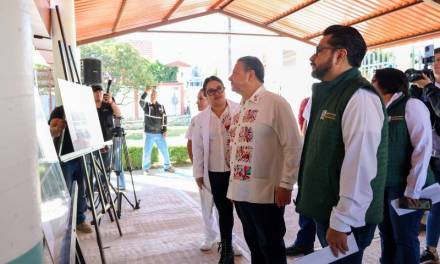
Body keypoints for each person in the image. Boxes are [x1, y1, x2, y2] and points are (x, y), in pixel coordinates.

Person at [295, 25, 388, 264]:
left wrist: (342, 221)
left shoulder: (360, 97)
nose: (312, 57)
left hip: (346, 219)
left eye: (319, 50)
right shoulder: (330, 93)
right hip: (328, 211)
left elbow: (360, 166)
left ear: (340, 54)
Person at [227, 56, 303, 264]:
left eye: (235, 73)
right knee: (253, 243)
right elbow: (236, 149)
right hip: (241, 193)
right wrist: (234, 186)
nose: (230, 78)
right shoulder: (240, 108)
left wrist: (286, 184)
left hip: (266, 193)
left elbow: (293, 145)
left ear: (250, 74)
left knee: (270, 246)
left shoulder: (275, 103)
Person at [372, 68, 434, 263]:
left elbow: (422, 149)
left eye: (373, 80)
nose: (370, 84)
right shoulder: (379, 108)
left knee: (404, 236)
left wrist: (413, 190)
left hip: (408, 187)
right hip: (384, 185)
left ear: (383, 83)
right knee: (386, 234)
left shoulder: (411, 105)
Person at [192, 76, 241, 263]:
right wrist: (198, 173)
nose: (216, 93)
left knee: (244, 210)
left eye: (219, 89)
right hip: (216, 173)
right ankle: (226, 250)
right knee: (224, 211)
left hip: (239, 171)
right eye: (211, 91)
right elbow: (197, 148)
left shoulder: (239, 109)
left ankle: (251, 247)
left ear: (224, 89)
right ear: (206, 95)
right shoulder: (201, 119)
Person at [412, 47, 440, 263]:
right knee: (430, 202)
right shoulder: (426, 88)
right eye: (435, 60)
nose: (437, 64)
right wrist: (414, 89)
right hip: (430, 157)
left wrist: (429, 87)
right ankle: (429, 249)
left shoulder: (431, 88)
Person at [49, 106, 93, 233]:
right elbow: (52, 132)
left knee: (81, 191)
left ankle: (80, 220)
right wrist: (58, 128)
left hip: (81, 155)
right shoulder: (58, 111)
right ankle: (63, 224)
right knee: (65, 192)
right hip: (65, 158)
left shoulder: (81, 110)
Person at [186, 88, 219, 251]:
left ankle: (226, 239)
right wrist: (198, 169)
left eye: (201, 98)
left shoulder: (222, 116)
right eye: (197, 99)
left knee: (224, 209)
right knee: (207, 206)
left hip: (221, 172)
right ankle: (209, 237)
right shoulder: (196, 120)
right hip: (205, 173)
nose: (198, 102)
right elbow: (190, 145)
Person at [286, 96, 316, 258]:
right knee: (305, 204)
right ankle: (304, 243)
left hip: (323, 163)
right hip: (309, 156)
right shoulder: (313, 98)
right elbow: (304, 127)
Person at [91, 84, 125, 189]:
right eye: (96, 92)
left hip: (106, 141)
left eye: (100, 91)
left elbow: (119, 114)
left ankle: (102, 186)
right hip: (92, 142)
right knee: (90, 166)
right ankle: (91, 188)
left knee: (106, 167)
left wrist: (111, 102)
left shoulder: (108, 105)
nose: (98, 94)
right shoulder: (88, 106)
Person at [139, 87, 175, 174]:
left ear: (157, 96)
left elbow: (164, 119)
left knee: (165, 150)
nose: (153, 96)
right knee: (147, 152)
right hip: (149, 134)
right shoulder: (146, 106)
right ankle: (145, 169)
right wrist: (146, 92)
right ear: (150, 96)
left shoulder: (161, 107)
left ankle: (167, 166)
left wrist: (165, 130)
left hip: (159, 134)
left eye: (155, 94)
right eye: (152, 94)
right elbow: (141, 101)